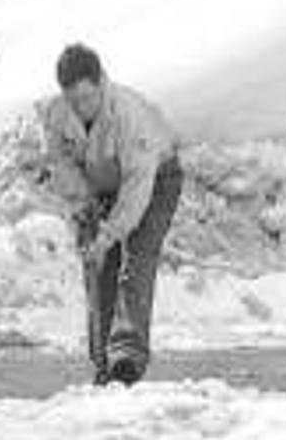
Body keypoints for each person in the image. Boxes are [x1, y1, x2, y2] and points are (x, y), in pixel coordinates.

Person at [39, 43, 184, 386]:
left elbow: (137, 188)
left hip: (155, 179)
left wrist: (109, 234)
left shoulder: (127, 114)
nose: (82, 108)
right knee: (98, 265)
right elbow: (63, 166)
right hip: (103, 185)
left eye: (88, 98)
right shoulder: (56, 114)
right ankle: (103, 364)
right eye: (74, 101)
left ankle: (127, 361)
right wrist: (84, 208)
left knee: (136, 261)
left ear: (100, 82)